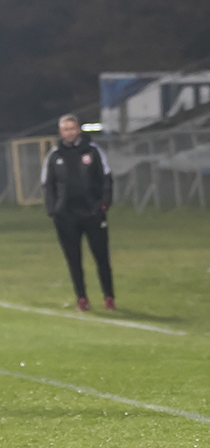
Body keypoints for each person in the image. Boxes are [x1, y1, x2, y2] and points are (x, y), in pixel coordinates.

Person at [41, 113, 115, 311]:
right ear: (60, 132)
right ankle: (82, 298)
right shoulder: (54, 155)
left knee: (101, 257)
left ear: (79, 129)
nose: (69, 132)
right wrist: (53, 210)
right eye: (66, 129)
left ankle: (109, 297)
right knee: (74, 259)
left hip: (92, 213)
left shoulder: (93, 151)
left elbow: (106, 178)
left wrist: (103, 205)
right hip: (66, 216)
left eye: (72, 128)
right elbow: (48, 185)